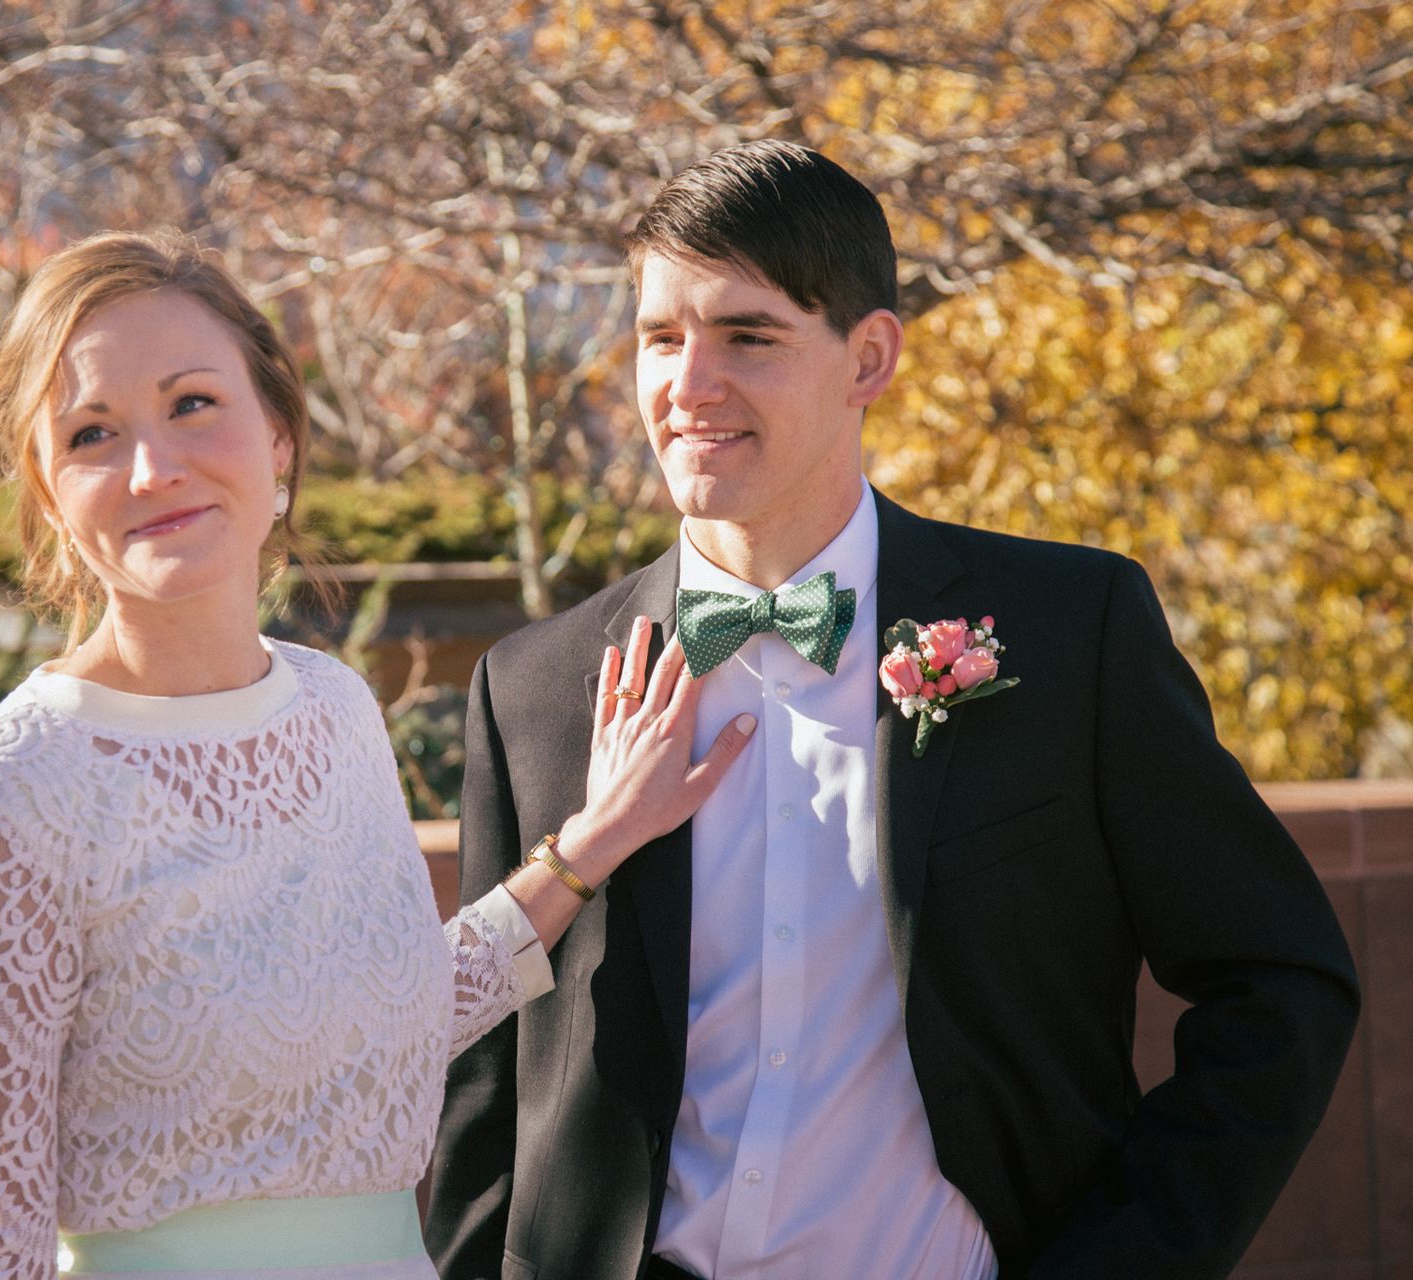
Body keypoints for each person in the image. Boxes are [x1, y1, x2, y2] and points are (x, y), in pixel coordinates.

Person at [426, 141, 1360, 1280]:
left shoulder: (1070, 630)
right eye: (661, 338)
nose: (688, 384)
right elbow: (479, 1088)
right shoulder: (530, 684)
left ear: (869, 357)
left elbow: (1281, 981)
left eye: (747, 336)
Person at [0, 230, 755, 1280]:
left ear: (280, 436)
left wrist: (596, 838)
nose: (153, 468)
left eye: (192, 403)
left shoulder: (335, 708)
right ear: (47, 485)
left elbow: (389, 1017)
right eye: (91, 433)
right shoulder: (1, 801)